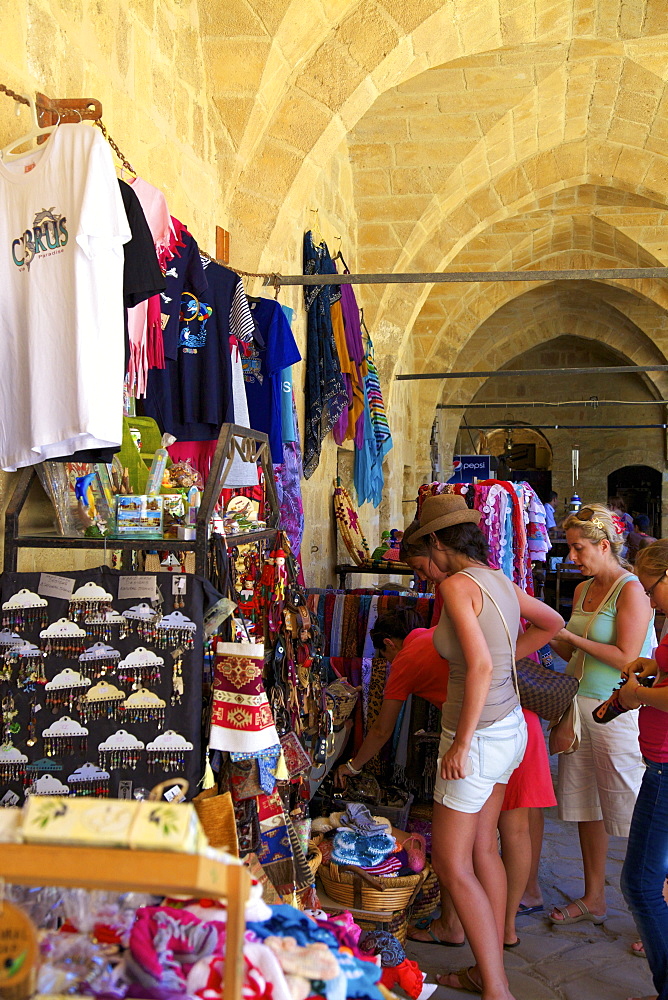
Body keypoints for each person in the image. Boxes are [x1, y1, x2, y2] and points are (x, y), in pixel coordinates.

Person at [411, 494, 563, 999]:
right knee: (483, 848)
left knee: (453, 864)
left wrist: (463, 742)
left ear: (436, 541)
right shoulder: (497, 577)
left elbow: (476, 667)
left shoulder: (457, 585)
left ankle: (496, 987)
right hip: (512, 728)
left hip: (477, 737)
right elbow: (552, 624)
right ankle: (487, 967)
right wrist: (508, 663)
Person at [548, 502, 654, 928]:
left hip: (616, 708)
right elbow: (572, 652)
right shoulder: (581, 590)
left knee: (631, 809)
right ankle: (594, 896)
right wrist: (546, 632)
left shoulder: (630, 589)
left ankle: (657, 906)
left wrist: (569, 633)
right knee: (585, 807)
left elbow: (627, 656)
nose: (571, 558)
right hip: (578, 707)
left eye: (578, 549)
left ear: (604, 545)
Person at [618, 539, 668, 1000]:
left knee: (640, 883)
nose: (647, 597)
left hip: (666, 771)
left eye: (651, 587)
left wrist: (638, 695)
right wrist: (654, 665)